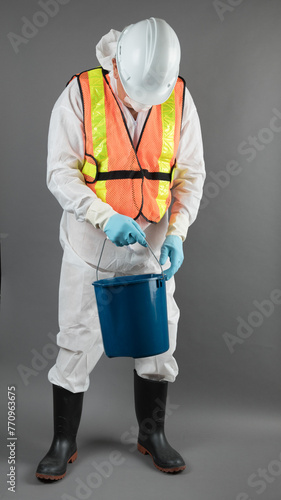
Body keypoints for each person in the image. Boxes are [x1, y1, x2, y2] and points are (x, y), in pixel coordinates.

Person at [35, 17, 206, 481]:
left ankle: (152, 435)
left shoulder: (177, 97)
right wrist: (103, 216)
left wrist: (177, 233)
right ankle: (63, 441)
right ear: (117, 67)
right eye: (136, 93)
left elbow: (190, 174)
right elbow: (60, 172)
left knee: (158, 346)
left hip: (149, 251)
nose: (145, 103)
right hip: (90, 249)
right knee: (75, 342)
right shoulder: (81, 95)